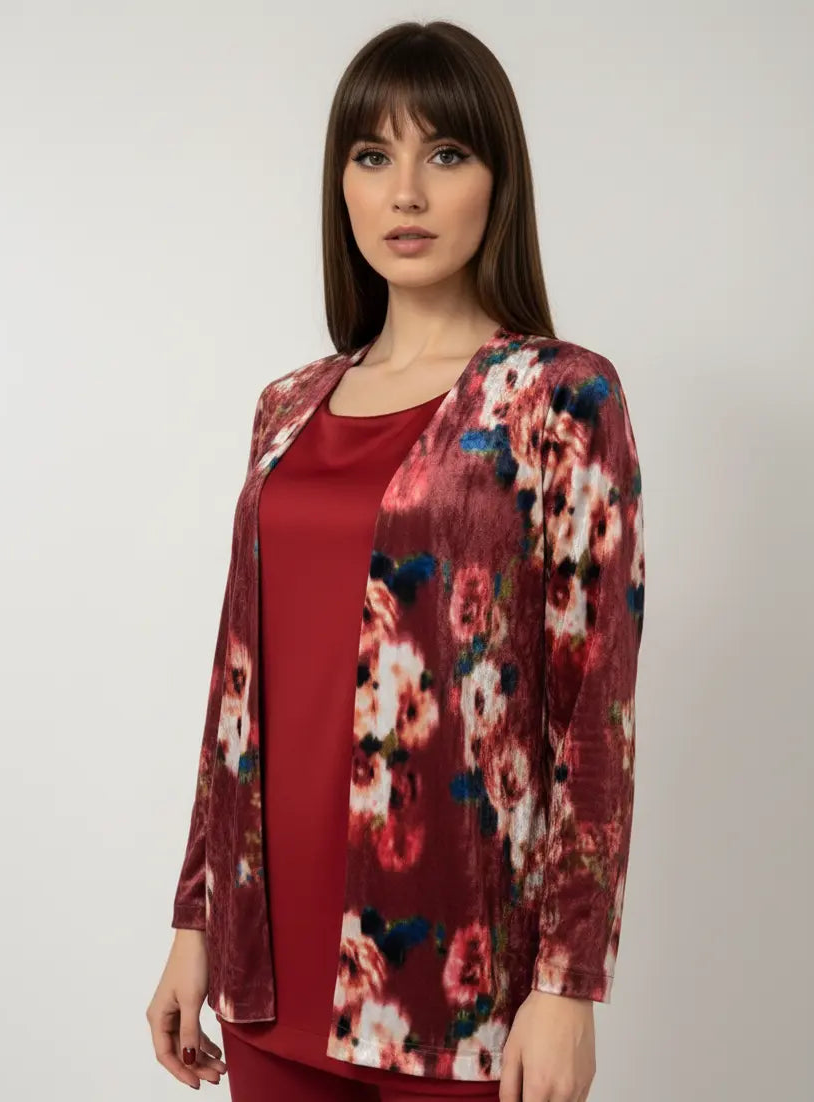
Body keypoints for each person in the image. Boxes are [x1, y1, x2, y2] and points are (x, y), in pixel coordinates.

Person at [146, 18, 645, 1102]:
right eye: (373, 156)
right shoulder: (286, 407)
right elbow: (235, 692)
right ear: (342, 184)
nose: (405, 192)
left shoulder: (559, 397)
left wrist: (565, 985)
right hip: (265, 965)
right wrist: (194, 922)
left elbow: (592, 713)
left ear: (497, 180)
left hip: (455, 986)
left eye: (444, 153)